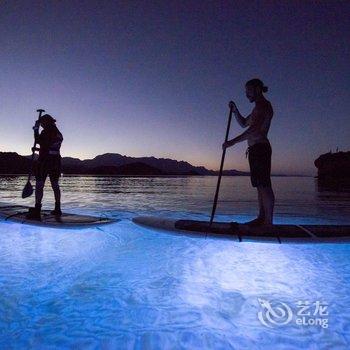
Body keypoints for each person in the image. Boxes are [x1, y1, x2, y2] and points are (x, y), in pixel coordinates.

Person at [222, 78, 275, 226]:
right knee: (259, 185)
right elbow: (244, 123)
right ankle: (261, 217)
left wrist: (231, 142)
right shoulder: (257, 108)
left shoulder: (263, 106)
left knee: (264, 184)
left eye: (248, 91)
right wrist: (235, 111)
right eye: (246, 92)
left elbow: (254, 130)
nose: (246, 94)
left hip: (260, 148)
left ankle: (268, 223)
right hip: (254, 149)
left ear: (257, 89)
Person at [27, 114, 63, 220]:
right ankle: (57, 208)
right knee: (55, 185)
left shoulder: (46, 131)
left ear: (47, 122)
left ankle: (37, 211)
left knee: (39, 184)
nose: (42, 125)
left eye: (42, 123)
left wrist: (35, 129)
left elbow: (39, 140)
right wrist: (37, 150)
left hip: (45, 162)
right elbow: (49, 147)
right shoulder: (58, 134)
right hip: (56, 161)